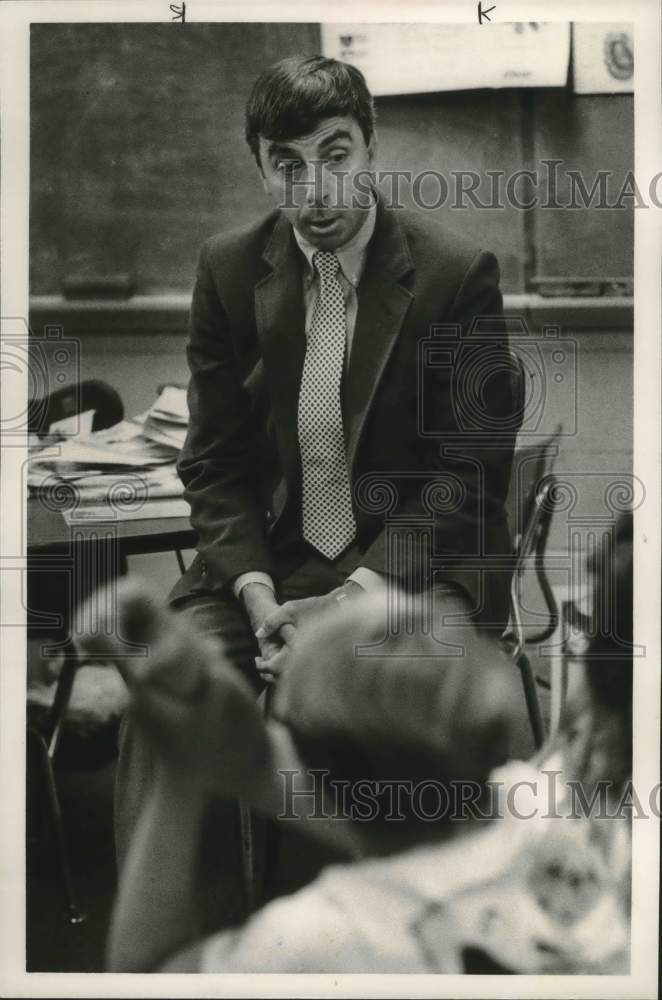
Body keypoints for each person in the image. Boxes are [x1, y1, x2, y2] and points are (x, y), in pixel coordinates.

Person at [114, 53, 520, 904]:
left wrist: (347, 602)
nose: (316, 192)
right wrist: (260, 596)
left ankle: (360, 940)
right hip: (270, 568)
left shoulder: (455, 274)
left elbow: (468, 475)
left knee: (358, 697)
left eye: (336, 155)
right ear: (261, 166)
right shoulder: (229, 269)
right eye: (287, 165)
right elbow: (214, 459)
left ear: (369, 148)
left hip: (406, 567)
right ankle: (185, 945)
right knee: (171, 683)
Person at [93, 507, 633, 973]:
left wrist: (180, 768)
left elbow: (150, 972)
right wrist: (227, 728)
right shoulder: (573, 812)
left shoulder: (318, 938)